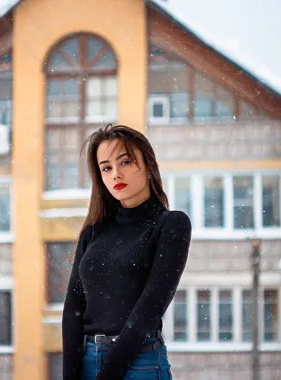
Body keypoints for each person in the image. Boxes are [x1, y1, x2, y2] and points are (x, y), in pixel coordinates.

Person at [62, 124, 192, 380]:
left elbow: (149, 310)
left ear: (148, 165)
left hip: (139, 363)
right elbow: (73, 309)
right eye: (106, 168)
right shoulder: (93, 232)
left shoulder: (171, 225)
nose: (116, 175)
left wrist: (108, 374)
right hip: (87, 361)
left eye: (126, 162)